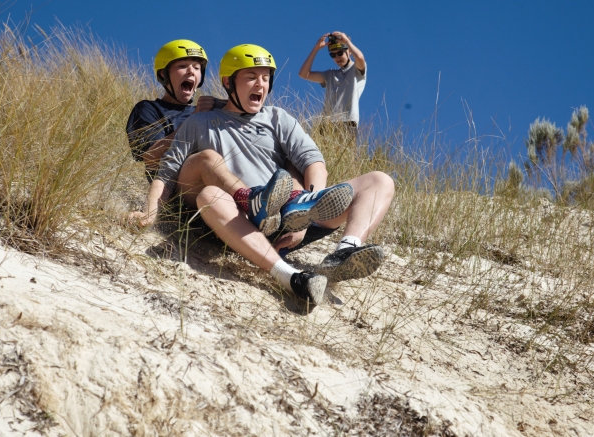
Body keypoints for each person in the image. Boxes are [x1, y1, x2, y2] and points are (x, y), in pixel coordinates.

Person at [129, 44, 394, 306]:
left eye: (266, 78)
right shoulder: (200, 121)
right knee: (209, 188)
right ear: (228, 82)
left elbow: (313, 161)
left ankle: (343, 252)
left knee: (379, 180)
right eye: (251, 77)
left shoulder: (278, 117)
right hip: (235, 220)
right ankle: (290, 276)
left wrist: (304, 214)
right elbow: (166, 170)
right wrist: (150, 212)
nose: (260, 85)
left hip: (284, 218)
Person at [126, 39, 223, 181]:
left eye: (197, 68)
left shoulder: (207, 111)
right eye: (182, 66)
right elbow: (151, 157)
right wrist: (194, 120)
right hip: (173, 187)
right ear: (163, 74)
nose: (191, 71)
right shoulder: (148, 109)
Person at [298, 31, 366, 139]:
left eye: (340, 53)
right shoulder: (330, 74)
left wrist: (347, 41)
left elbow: (360, 58)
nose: (337, 57)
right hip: (325, 125)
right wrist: (315, 49)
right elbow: (303, 74)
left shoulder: (356, 70)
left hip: (347, 122)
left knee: (344, 155)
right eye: (333, 55)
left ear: (349, 51)